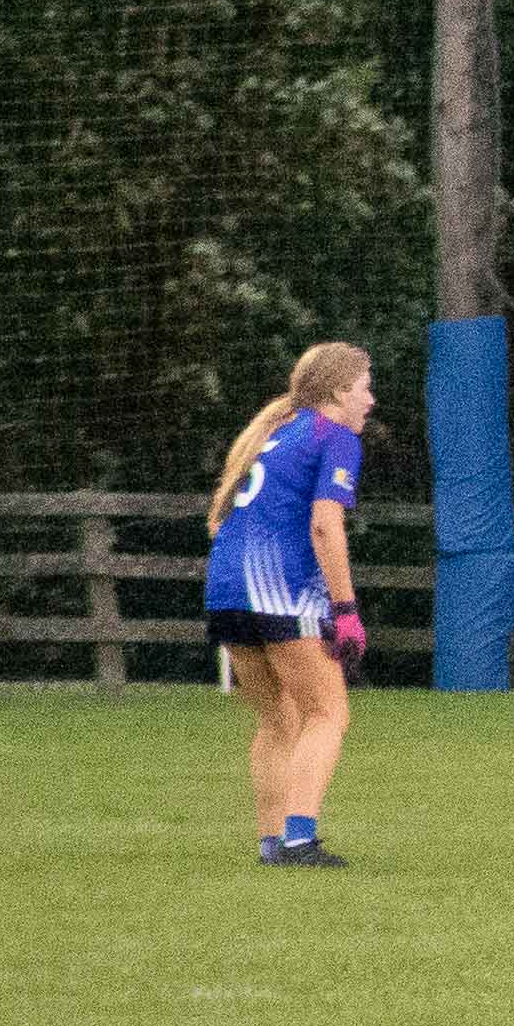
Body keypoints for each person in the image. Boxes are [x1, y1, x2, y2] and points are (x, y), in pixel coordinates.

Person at [202, 342, 376, 868]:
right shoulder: (334, 436)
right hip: (278, 591)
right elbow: (325, 525)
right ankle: (300, 840)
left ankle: (272, 843)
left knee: (279, 718)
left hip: (225, 591)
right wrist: (345, 610)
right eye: (365, 388)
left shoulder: (275, 433)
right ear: (339, 392)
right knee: (328, 713)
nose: (370, 400)